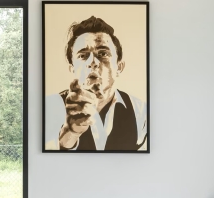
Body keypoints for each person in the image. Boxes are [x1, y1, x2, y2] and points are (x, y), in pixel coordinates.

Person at [44, 16, 147, 151]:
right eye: (83, 55)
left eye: (103, 53)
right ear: (72, 69)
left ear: (119, 67)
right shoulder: (49, 108)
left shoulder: (141, 112)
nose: (93, 62)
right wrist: (70, 133)